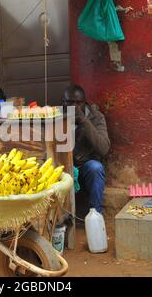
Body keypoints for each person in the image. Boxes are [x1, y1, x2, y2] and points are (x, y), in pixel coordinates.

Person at [62, 85, 110, 214]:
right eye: (70, 102)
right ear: (64, 103)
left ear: (85, 102)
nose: (75, 107)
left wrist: (84, 121)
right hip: (64, 166)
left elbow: (103, 149)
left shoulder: (96, 117)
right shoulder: (58, 117)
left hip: (85, 166)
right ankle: (62, 219)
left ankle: (96, 215)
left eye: (79, 102)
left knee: (96, 168)